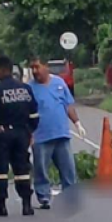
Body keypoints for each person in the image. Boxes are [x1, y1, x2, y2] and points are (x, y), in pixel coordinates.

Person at [0, 56, 40, 217]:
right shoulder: (25, 89)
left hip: (3, 135)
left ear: (1, 70)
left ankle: (1, 206)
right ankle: (27, 205)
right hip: (22, 134)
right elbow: (34, 115)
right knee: (22, 169)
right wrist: (28, 132)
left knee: (0, 170)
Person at [28, 56, 86, 210]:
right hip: (40, 136)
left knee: (68, 168)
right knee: (41, 169)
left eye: (37, 67)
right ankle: (44, 197)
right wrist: (28, 134)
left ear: (46, 67)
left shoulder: (59, 83)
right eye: (32, 68)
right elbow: (25, 113)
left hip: (61, 134)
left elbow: (68, 105)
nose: (34, 71)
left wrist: (77, 123)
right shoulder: (29, 88)